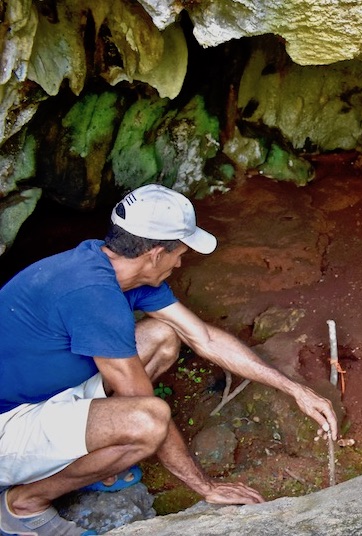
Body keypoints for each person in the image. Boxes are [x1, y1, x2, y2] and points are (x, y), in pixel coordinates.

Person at [0, 184, 339, 536]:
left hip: (39, 394)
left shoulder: (109, 267)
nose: (180, 262)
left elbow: (202, 336)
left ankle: (93, 457)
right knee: (148, 422)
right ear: (155, 254)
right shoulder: (91, 295)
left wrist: (294, 389)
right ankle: (22, 504)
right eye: (179, 253)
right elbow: (145, 408)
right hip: (6, 425)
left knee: (162, 335)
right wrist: (205, 487)